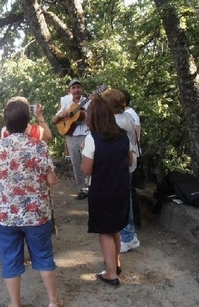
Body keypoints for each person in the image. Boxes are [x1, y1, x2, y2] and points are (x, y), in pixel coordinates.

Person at [0, 98, 62, 307]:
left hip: (4, 215)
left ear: (6, 122)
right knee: (44, 255)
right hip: (37, 214)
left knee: (10, 258)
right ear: (27, 120)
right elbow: (52, 181)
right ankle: (53, 301)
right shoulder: (40, 147)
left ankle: (15, 304)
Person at [81, 97, 132, 287]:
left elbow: (86, 170)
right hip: (120, 188)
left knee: (104, 231)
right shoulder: (124, 135)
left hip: (102, 190)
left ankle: (111, 273)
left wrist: (85, 153)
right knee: (115, 228)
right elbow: (130, 161)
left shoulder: (91, 138)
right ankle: (116, 264)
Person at [102, 89, 139, 253]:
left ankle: (128, 237)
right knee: (125, 199)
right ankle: (129, 234)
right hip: (125, 164)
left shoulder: (119, 122)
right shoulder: (124, 118)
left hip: (122, 166)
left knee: (123, 201)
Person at [52, 79, 90, 199]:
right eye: (73, 88)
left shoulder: (88, 101)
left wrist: (85, 114)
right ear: (70, 91)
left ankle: (91, 187)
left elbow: (94, 118)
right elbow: (54, 120)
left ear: (81, 89)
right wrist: (61, 115)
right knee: (76, 164)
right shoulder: (65, 101)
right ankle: (82, 190)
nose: (76, 90)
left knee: (88, 162)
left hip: (86, 135)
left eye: (78, 87)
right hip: (71, 137)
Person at [120, 89, 142, 229]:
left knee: (129, 191)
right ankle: (134, 221)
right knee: (130, 190)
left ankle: (133, 222)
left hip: (130, 155)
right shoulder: (130, 113)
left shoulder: (127, 115)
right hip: (132, 154)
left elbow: (135, 136)